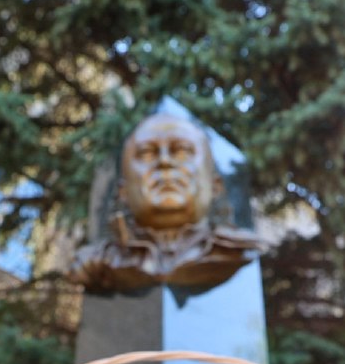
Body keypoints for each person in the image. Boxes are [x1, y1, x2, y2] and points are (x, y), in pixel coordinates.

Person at [71, 112, 261, 291]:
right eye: (146, 153)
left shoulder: (240, 252)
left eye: (182, 151)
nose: (164, 161)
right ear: (123, 191)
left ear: (215, 185)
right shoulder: (96, 262)